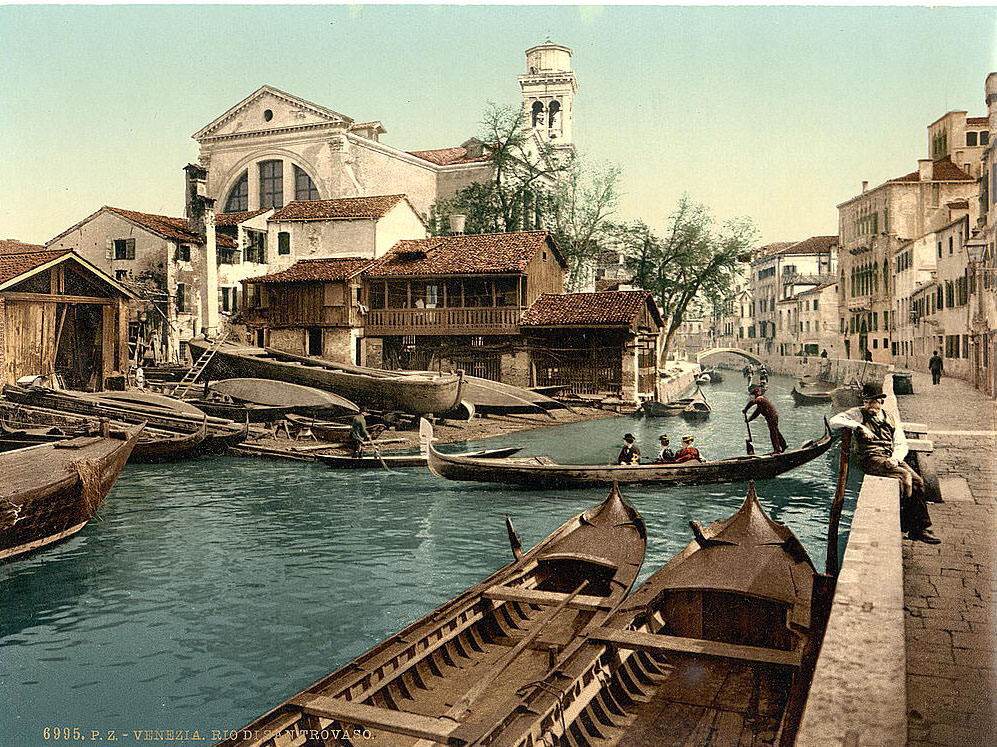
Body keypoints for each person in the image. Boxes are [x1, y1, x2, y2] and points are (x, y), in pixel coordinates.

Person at [829, 382, 939, 544]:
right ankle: (907, 523)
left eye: (873, 401)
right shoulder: (858, 414)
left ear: (881, 401)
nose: (869, 405)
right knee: (904, 476)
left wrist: (895, 458)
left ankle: (919, 529)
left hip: (889, 456)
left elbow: (901, 444)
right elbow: (834, 421)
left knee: (917, 481)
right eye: (867, 401)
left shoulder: (891, 418)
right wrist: (859, 426)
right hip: (870, 458)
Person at [743, 386, 787, 454]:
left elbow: (752, 402)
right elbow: (757, 413)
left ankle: (777, 450)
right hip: (772, 417)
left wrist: (745, 409)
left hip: (772, 417)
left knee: (773, 433)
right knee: (775, 431)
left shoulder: (760, 399)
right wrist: (749, 420)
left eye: (754, 395)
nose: (754, 397)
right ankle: (783, 445)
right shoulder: (761, 404)